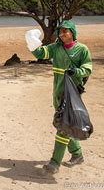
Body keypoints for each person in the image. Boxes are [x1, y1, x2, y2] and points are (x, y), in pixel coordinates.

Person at [26, 20, 92, 174]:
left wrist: (76, 72)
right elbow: (41, 53)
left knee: (63, 126)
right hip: (57, 93)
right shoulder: (56, 48)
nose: (62, 34)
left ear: (73, 33)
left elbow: (87, 68)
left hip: (72, 94)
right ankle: (77, 154)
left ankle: (54, 163)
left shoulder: (82, 49)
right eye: (60, 31)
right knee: (65, 123)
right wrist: (32, 42)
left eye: (65, 31)